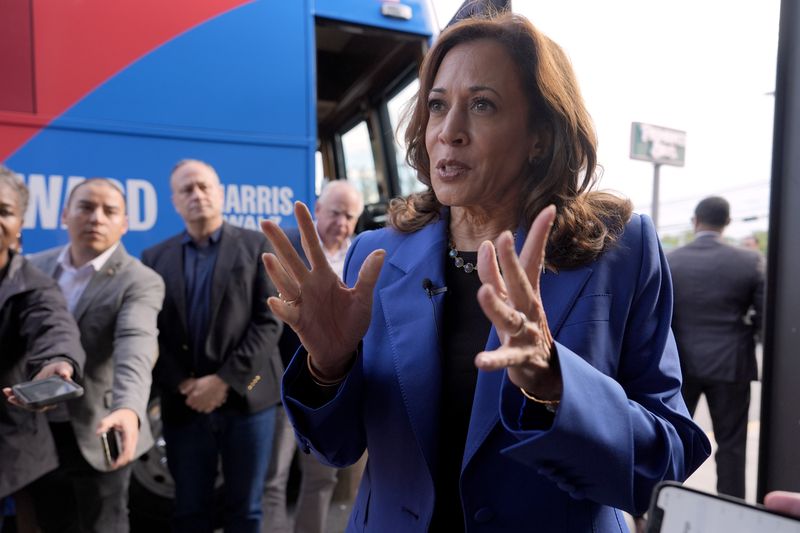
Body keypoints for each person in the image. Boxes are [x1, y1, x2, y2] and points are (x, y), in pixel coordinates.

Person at [260, 12, 710, 532]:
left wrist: (555, 384)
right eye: (436, 106)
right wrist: (327, 369)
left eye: (482, 105)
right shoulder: (375, 256)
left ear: (540, 135)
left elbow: (666, 465)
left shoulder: (620, 250)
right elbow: (336, 449)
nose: (449, 133)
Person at [141, 159, 283, 533]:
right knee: (190, 511)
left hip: (249, 396)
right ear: (174, 201)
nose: (197, 194)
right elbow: (150, 331)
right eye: (186, 189)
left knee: (246, 511)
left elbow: (270, 320)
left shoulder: (256, 246)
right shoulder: (154, 258)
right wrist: (183, 385)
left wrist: (222, 381)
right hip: (184, 403)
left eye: (204, 186)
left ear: (220, 193)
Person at [26, 178, 164, 532]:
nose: (96, 217)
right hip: (36, 432)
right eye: (86, 207)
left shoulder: (140, 280)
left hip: (101, 429)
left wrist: (128, 409)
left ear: (125, 223)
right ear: (65, 215)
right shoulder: (32, 268)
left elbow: (137, 343)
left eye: (109, 210)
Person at [263, 180, 364, 533]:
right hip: (280, 382)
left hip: (330, 389)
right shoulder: (286, 245)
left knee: (322, 479)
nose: (342, 222)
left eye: (350, 216)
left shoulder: (361, 255)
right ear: (318, 209)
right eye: (336, 212)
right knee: (273, 479)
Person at [0, 166, 85, 529]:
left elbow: (53, 326)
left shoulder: (34, 285)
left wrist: (56, 362)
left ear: (19, 225)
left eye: (4, 211)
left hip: (11, 452)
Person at [667, 196, 764, 499]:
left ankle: (659, 507)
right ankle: (730, 512)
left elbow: (656, 317)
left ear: (695, 221)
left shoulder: (671, 260)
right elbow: (765, 318)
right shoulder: (749, 261)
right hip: (731, 365)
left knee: (673, 443)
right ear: (727, 223)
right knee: (732, 447)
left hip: (679, 366)